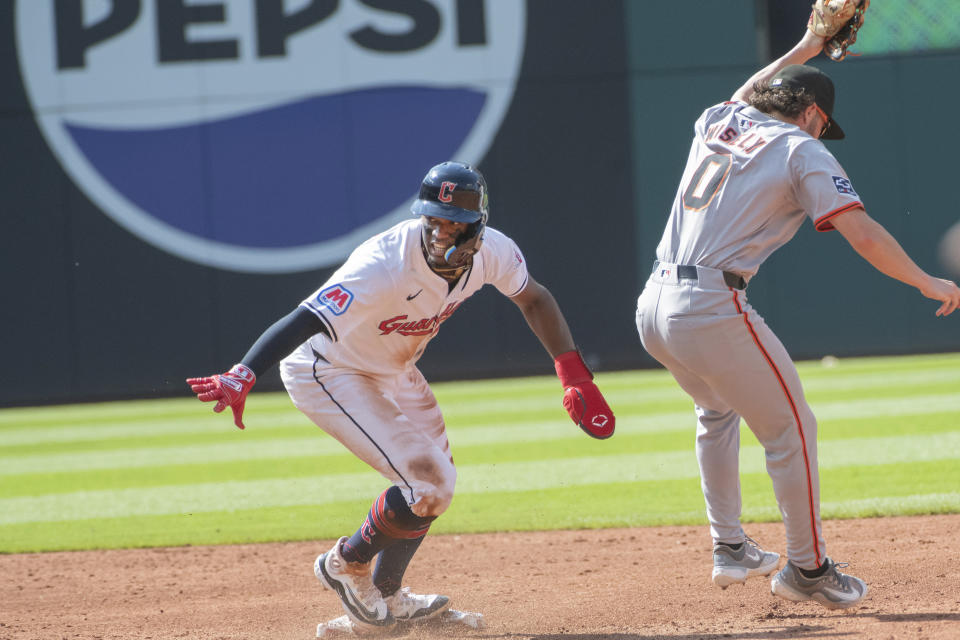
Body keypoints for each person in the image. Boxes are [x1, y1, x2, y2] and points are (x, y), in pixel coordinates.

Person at [187, 161, 615, 632]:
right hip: (330, 370)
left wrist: (573, 374)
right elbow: (306, 317)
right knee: (427, 483)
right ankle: (346, 565)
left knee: (435, 490)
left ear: (477, 226)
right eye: (433, 218)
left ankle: (386, 604)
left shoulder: (494, 252)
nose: (439, 230)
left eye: (452, 222)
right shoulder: (384, 263)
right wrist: (244, 372)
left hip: (394, 369)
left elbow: (534, 298)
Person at [634, 25, 960, 611]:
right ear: (810, 112)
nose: (822, 130)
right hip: (709, 304)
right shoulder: (802, 149)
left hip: (653, 304)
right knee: (791, 430)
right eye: (821, 120)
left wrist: (809, 44)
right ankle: (808, 570)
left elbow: (749, 91)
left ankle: (730, 546)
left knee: (716, 411)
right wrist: (925, 280)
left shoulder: (721, 120)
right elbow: (862, 233)